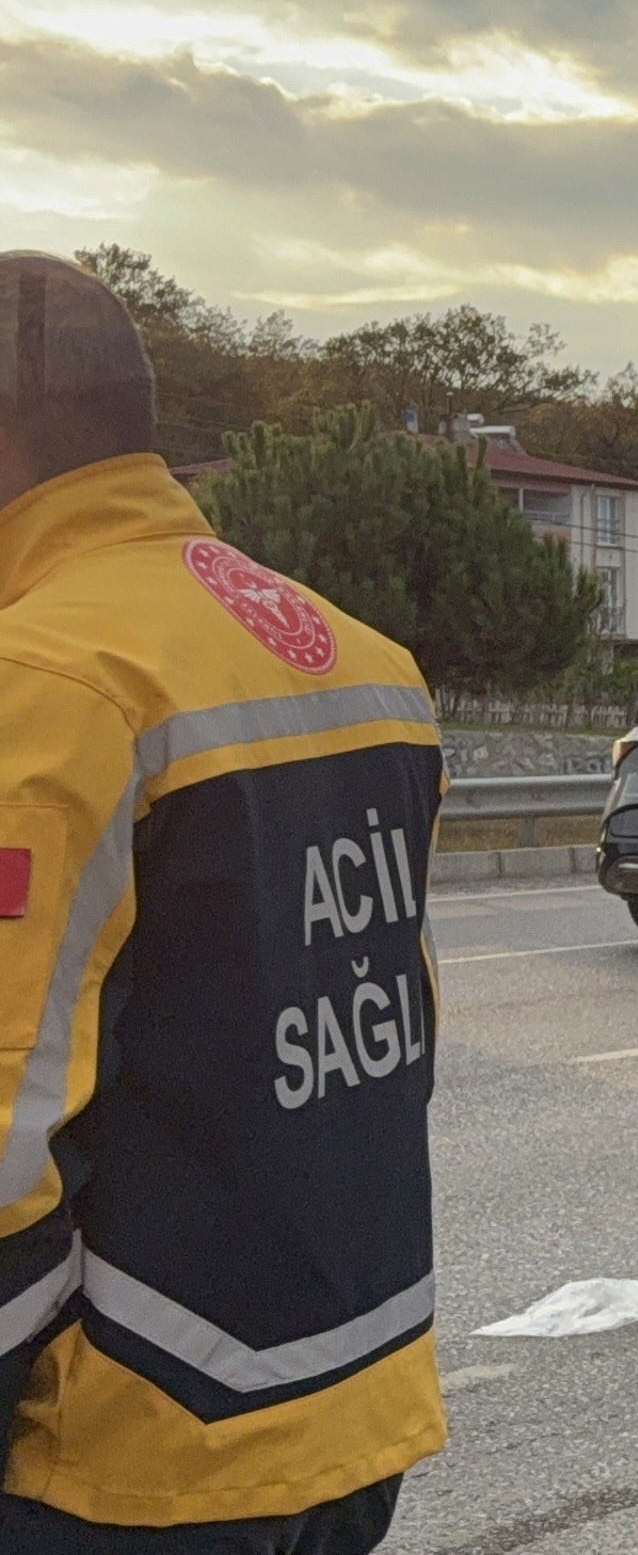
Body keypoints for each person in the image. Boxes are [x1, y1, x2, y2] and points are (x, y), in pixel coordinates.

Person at [0, 254, 443, 1550]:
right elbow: (382, 1030)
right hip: (346, 1402)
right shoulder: (367, 663)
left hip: (126, 1458)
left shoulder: (48, 679)